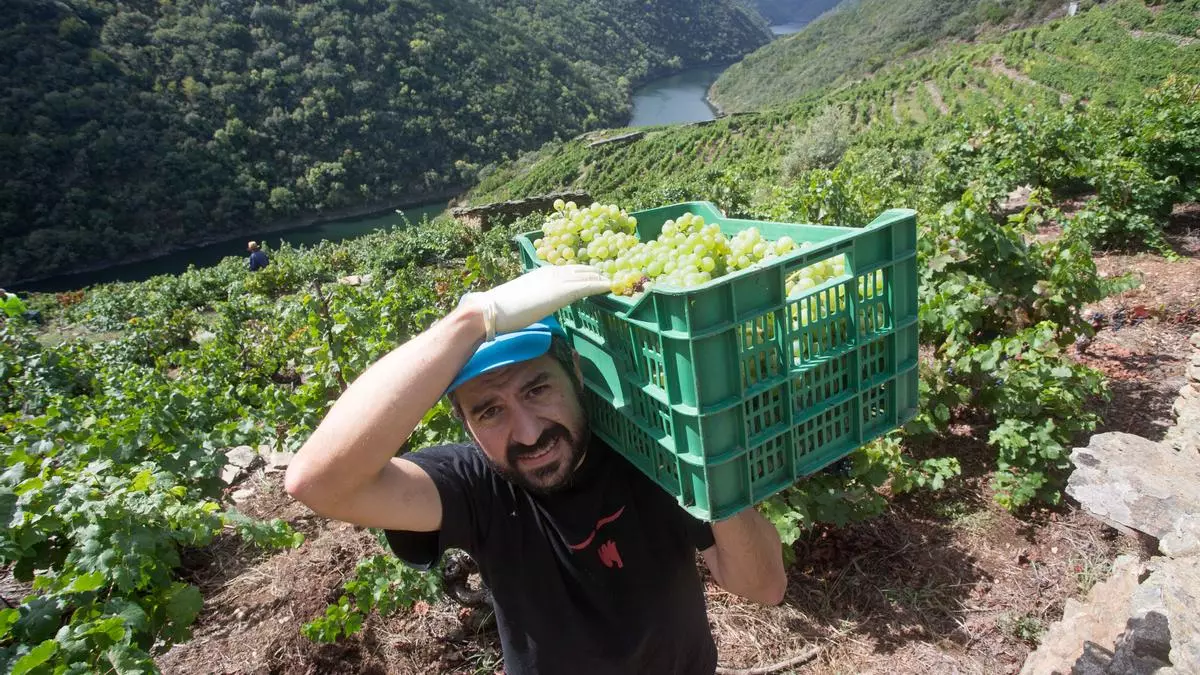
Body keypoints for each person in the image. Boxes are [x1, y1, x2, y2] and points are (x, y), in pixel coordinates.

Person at [285, 265, 787, 675]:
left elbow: (764, 587)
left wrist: (714, 464)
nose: (527, 434)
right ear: (466, 425)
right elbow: (318, 482)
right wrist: (471, 320)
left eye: (536, 389)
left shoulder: (649, 453)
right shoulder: (475, 486)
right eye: (490, 410)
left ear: (577, 372)